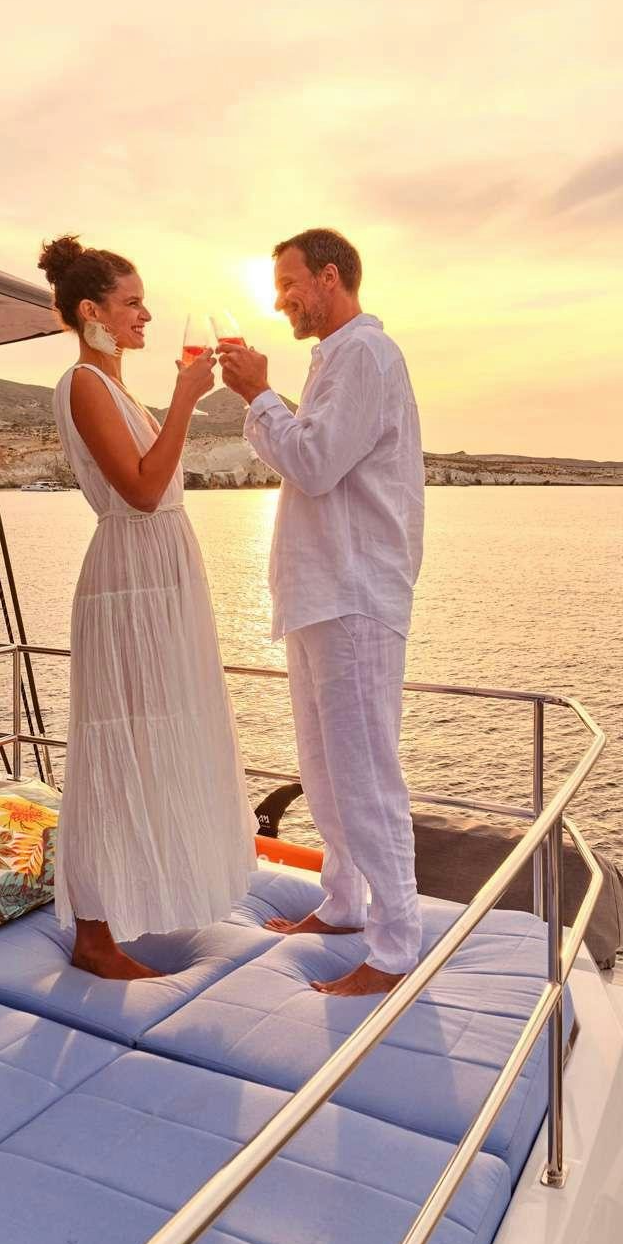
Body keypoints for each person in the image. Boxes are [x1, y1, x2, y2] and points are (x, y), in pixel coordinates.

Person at [40, 234, 256, 979]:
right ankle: (94, 937)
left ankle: (151, 895)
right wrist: (189, 402)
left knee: (168, 728)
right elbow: (141, 489)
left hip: (159, 575)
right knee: (115, 743)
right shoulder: (83, 385)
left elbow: (153, 483)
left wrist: (174, 402)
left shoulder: (116, 387)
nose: (146, 314)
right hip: (130, 575)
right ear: (91, 310)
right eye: (132, 303)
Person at [218, 228, 425, 997]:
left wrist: (258, 396)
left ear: (329, 277)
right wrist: (271, 402)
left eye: (289, 283)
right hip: (320, 596)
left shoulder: (368, 356)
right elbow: (312, 458)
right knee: (325, 770)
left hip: (355, 595)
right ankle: (343, 905)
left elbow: (314, 461)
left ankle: (398, 943)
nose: (280, 300)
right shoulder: (334, 360)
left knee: (365, 773)